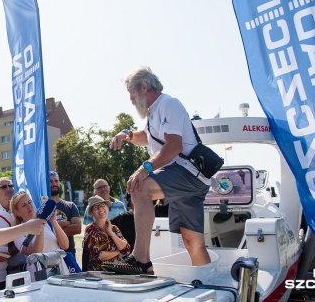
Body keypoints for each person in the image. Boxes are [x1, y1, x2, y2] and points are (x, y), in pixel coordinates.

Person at [105, 66, 211, 274]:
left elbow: (174, 146)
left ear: (143, 87)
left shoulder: (168, 104)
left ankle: (141, 260)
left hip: (188, 172)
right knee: (192, 241)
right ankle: (208, 277)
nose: (131, 100)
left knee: (139, 187)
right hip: (189, 179)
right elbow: (146, 137)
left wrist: (145, 169)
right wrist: (126, 134)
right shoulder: (154, 113)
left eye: (132, 93)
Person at [11, 191, 69, 281]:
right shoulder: (17, 232)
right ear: (17, 212)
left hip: (61, 274)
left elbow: (65, 245)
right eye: (24, 205)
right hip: (40, 278)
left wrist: (54, 221)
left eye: (30, 202)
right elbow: (36, 252)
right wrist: (40, 223)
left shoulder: (46, 223)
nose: (29, 207)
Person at [82, 196, 131, 271]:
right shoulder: (91, 229)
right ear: (91, 213)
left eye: (102, 205)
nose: (100, 209)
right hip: (98, 275)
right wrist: (118, 251)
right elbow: (97, 256)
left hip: (116, 272)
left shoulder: (114, 228)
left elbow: (126, 250)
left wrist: (111, 233)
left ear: (107, 208)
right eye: (96, 208)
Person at [49, 171, 81, 255]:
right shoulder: (42, 207)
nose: (54, 184)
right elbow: (45, 229)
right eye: (50, 181)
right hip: (49, 255)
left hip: (68, 254)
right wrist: (67, 223)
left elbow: (77, 228)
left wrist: (54, 233)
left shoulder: (70, 206)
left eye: (56, 181)